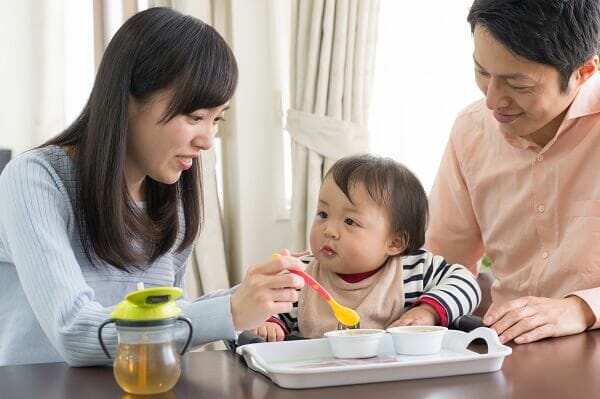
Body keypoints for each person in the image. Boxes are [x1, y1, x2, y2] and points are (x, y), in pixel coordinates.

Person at [0, 7, 305, 366]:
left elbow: (167, 318)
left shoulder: (168, 195)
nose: (207, 140)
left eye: (216, 119)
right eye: (195, 117)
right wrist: (231, 311)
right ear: (129, 99)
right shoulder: (35, 180)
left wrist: (254, 299)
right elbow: (75, 332)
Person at [426, 0, 600, 345]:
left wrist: (581, 307)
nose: (492, 101)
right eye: (483, 72)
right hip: (507, 351)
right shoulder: (471, 130)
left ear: (583, 72)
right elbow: (443, 262)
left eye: (518, 85)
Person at [252, 154, 481, 341]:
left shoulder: (416, 269)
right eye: (323, 214)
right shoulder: (301, 275)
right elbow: (268, 307)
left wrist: (428, 311)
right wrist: (269, 323)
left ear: (394, 243)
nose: (329, 230)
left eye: (350, 221)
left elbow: (467, 283)